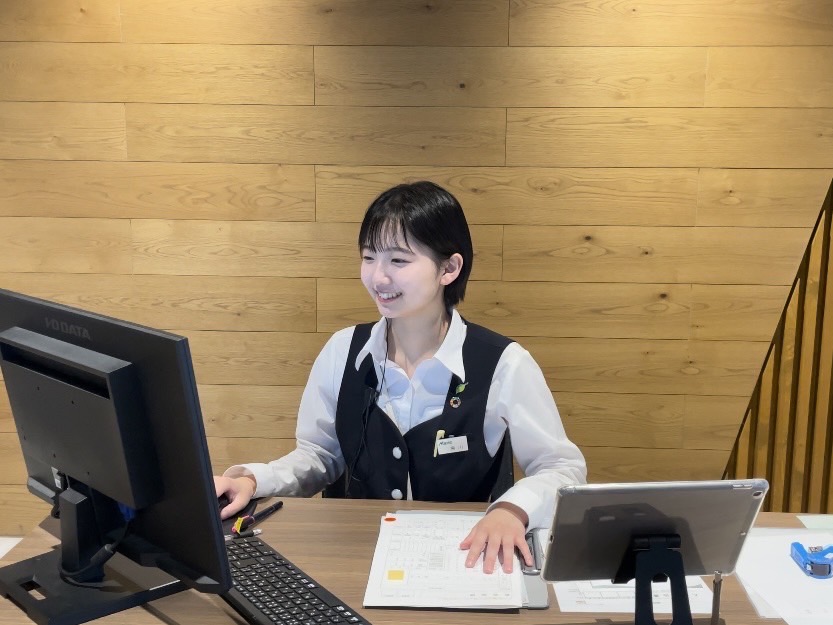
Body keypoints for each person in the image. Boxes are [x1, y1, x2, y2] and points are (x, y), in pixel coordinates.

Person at [214, 181, 586, 573]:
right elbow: (319, 457)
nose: (378, 277)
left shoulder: (505, 363)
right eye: (369, 257)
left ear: (449, 268)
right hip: (354, 559)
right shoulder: (342, 351)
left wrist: (513, 509)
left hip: (462, 560)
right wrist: (253, 480)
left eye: (398, 260)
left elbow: (561, 468)